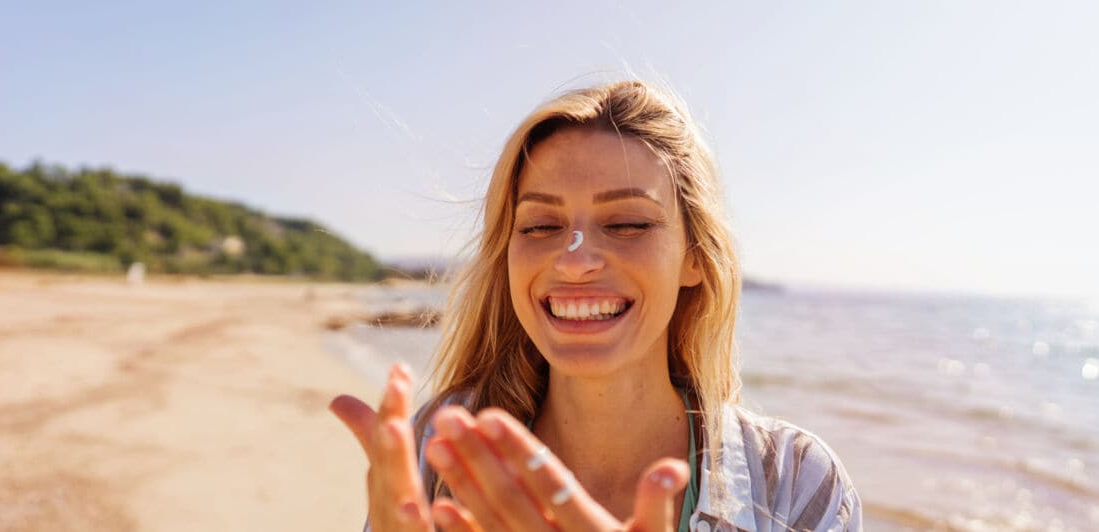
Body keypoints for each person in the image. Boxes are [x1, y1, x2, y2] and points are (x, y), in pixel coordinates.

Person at [330, 80, 862, 531]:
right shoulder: (438, 446)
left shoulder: (797, 483)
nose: (574, 260)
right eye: (540, 226)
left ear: (694, 258)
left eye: (628, 223)